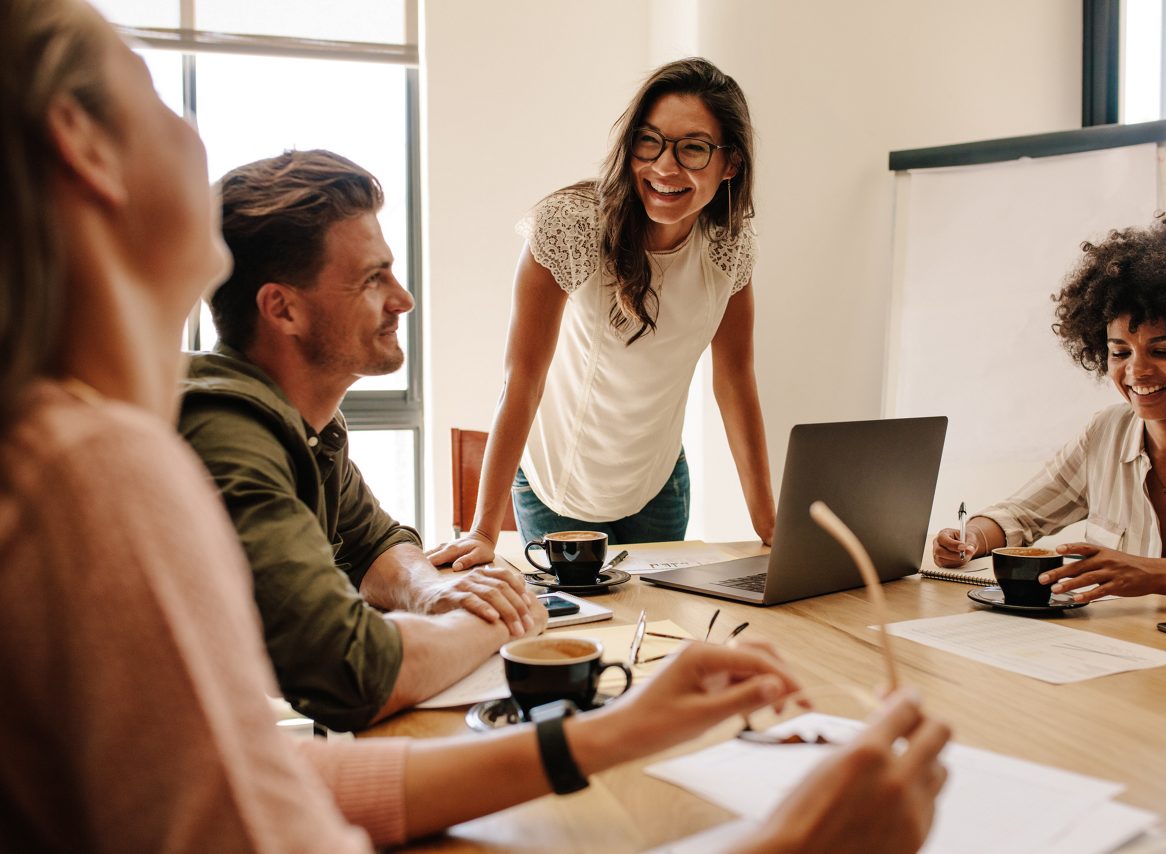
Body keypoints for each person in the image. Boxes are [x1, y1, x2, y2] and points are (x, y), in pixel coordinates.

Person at [0, 2, 951, 849]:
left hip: (647, 488)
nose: (405, 299)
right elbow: (335, 697)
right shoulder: (105, 469)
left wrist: (613, 729)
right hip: (558, 489)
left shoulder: (236, 433)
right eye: (161, 101)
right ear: (81, 142)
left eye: (697, 149)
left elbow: (265, 776)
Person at [178, 149, 543, 731]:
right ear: (283, 309)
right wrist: (497, 621)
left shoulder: (306, 421)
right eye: (373, 279)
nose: (403, 300)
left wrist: (433, 593)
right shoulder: (228, 435)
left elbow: (370, 542)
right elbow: (349, 673)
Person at [428, 58, 775, 571]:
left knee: (658, 633)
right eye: (649, 141)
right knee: (578, 631)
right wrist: (482, 530)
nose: (664, 166)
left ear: (731, 164)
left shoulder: (729, 246)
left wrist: (768, 522)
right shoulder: (570, 227)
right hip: (558, 488)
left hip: (659, 484)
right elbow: (522, 378)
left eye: (694, 148)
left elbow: (735, 380)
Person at [933, 218, 1166, 608]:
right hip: (1117, 654)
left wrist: (1149, 573)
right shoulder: (1106, 431)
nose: (1137, 372)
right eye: (1120, 352)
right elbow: (1021, 515)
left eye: (1164, 351)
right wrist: (972, 538)